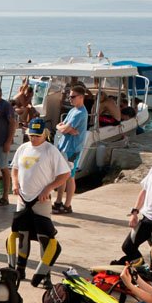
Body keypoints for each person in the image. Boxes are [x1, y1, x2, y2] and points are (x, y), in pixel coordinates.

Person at [7, 118, 70, 288]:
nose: (34, 139)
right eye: (31, 135)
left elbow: (65, 174)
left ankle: (45, 273)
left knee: (45, 238)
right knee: (22, 235)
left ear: (44, 134)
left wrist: (48, 188)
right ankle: (20, 269)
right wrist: (15, 184)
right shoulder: (22, 148)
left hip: (41, 201)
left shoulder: (51, 151)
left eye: (37, 135)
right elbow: (15, 169)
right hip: (23, 199)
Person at [53, 84, 88, 214]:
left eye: (73, 97)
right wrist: (63, 128)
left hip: (72, 149)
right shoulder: (73, 111)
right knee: (62, 175)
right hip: (64, 147)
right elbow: (61, 126)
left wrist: (65, 128)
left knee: (70, 176)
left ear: (81, 97)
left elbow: (65, 128)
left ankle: (67, 205)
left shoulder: (80, 113)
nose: (70, 99)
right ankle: (58, 202)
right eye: (69, 96)